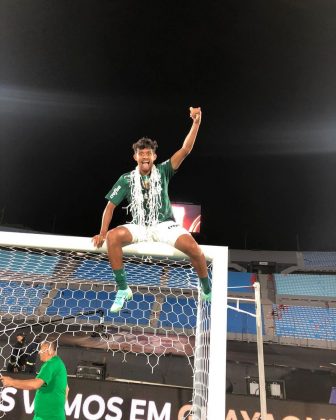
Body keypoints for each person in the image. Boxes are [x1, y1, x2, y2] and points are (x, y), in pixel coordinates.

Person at [92, 106, 211, 312]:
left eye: (149, 153)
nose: (145, 156)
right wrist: (102, 233)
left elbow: (186, 149)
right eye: (141, 153)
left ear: (154, 157)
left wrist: (196, 122)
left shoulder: (164, 170)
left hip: (163, 224)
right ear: (135, 157)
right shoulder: (126, 179)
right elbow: (109, 207)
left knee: (195, 250)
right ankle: (123, 289)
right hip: (140, 226)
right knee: (113, 237)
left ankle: (207, 288)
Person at [1, 340, 69, 420]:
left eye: (41, 349)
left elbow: (35, 384)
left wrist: (11, 382)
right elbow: (67, 389)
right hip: (48, 416)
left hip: (48, 417)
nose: (39, 352)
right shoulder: (58, 363)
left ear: (50, 351)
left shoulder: (50, 364)